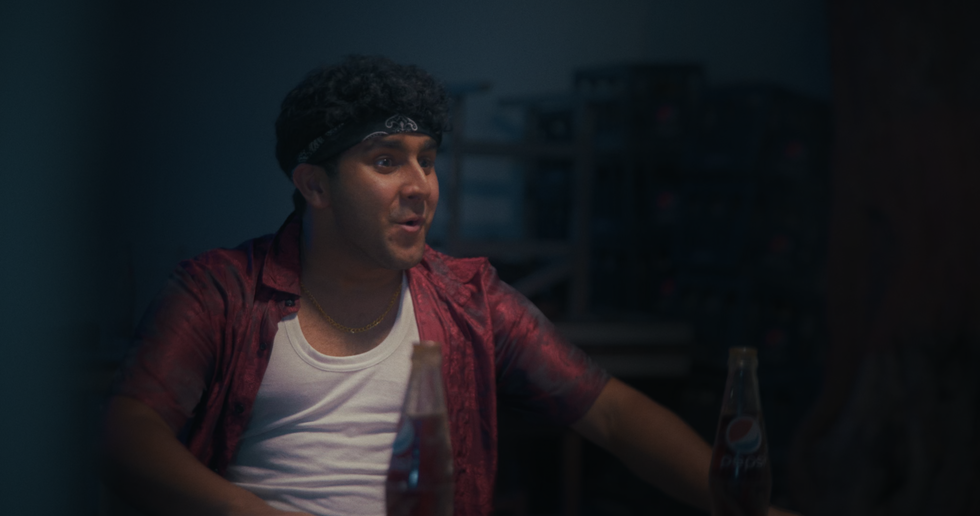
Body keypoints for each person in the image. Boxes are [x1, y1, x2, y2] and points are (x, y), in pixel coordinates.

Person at [101, 55, 795, 516]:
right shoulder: (220, 290)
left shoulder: (470, 297)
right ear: (314, 185)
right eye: (385, 161)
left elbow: (611, 413)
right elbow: (129, 433)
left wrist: (752, 510)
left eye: (427, 161)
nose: (420, 187)